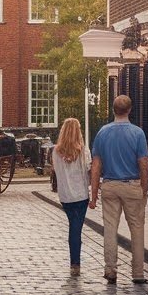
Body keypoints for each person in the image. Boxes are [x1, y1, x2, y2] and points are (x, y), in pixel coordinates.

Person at [88, 95, 148, 285]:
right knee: (137, 230)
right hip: (132, 185)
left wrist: (94, 194)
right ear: (129, 110)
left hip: (110, 185)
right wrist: (144, 188)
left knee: (110, 228)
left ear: (113, 110)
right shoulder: (138, 133)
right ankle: (138, 272)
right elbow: (144, 164)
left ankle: (111, 270)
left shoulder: (103, 133)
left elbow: (96, 165)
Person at [52, 118, 92, 277]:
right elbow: (88, 171)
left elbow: (56, 171)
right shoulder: (83, 151)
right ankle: (75, 262)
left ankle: (74, 262)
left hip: (65, 196)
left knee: (73, 226)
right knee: (76, 228)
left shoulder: (55, 151)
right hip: (81, 195)